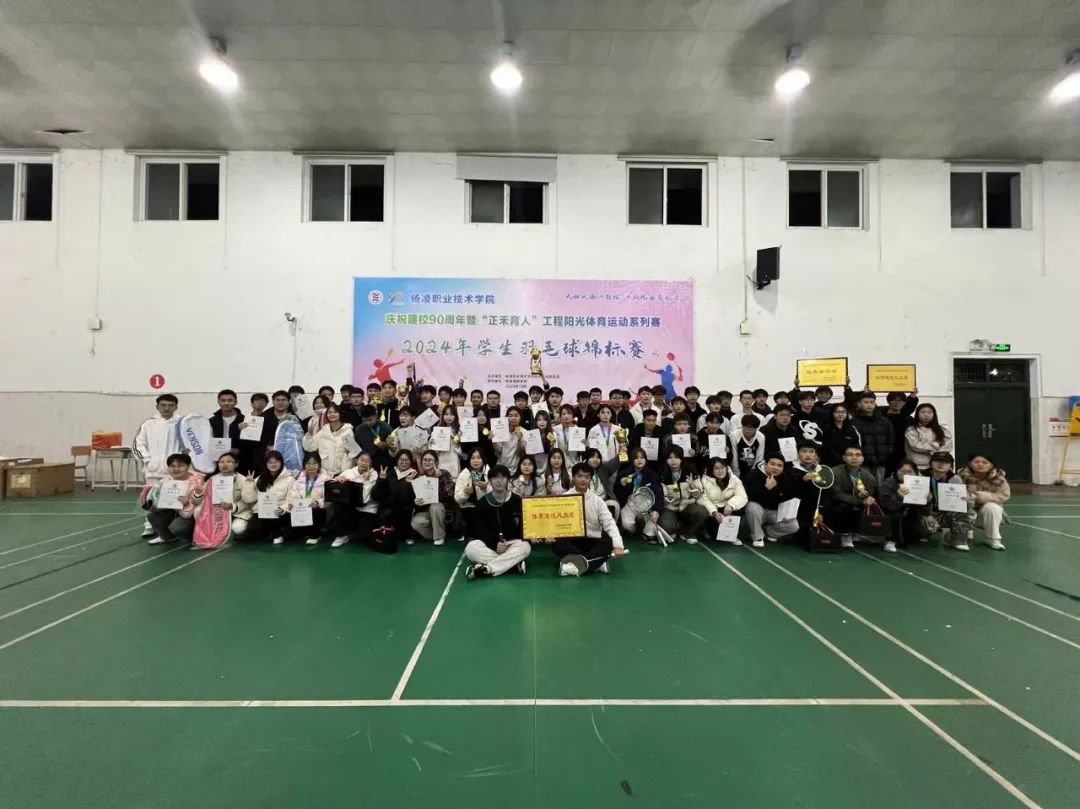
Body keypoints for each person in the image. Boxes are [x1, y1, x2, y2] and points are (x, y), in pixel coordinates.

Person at [552, 463, 625, 576]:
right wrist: (550, 534)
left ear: (591, 479)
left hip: (592, 540)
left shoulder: (598, 501)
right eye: (579, 476)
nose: (583, 480)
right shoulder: (563, 498)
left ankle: (573, 566)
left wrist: (618, 545)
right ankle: (596, 562)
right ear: (573, 477)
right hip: (571, 541)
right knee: (556, 542)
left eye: (587, 477)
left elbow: (609, 523)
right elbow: (554, 522)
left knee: (608, 541)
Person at [464, 465, 531, 579]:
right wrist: (495, 544)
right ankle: (513, 565)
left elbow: (524, 527)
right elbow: (480, 530)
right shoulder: (482, 503)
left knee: (525, 547)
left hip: (512, 544)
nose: (499, 481)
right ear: (490, 481)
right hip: (491, 545)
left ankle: (487, 568)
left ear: (508, 480)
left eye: (503, 477)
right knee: (471, 548)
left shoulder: (517, 501)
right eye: (495, 478)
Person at [134, 393, 183, 538]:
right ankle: (150, 525)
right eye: (163, 405)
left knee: (174, 500)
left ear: (176, 407)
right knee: (150, 499)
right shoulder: (148, 424)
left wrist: (182, 462)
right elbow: (138, 444)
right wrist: (148, 460)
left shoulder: (182, 423)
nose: (167, 408)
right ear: (157, 406)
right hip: (154, 471)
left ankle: (170, 528)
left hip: (176, 471)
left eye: (170, 405)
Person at [143, 452, 204, 545]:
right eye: (172, 466)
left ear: (188, 467)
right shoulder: (164, 481)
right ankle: (166, 537)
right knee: (152, 515)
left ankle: (194, 537)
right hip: (172, 511)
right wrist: (153, 500)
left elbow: (199, 504)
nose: (176, 469)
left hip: (190, 515)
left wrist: (187, 503)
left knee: (177, 527)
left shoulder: (198, 481)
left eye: (181, 466)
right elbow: (154, 501)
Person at [825, 446, 879, 550]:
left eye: (858, 455)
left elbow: (871, 494)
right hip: (839, 504)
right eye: (850, 455)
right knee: (842, 507)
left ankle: (858, 533)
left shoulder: (868, 476)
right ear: (844, 458)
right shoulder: (834, 472)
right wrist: (860, 500)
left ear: (862, 459)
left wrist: (868, 497)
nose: (854, 458)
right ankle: (845, 535)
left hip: (859, 504)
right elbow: (837, 495)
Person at [743, 452, 800, 548]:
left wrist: (786, 514)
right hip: (757, 511)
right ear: (765, 464)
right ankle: (758, 537)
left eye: (779, 466)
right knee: (751, 506)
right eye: (772, 464)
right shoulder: (753, 475)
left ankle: (769, 533)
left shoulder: (785, 478)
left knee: (794, 526)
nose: (775, 468)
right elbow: (748, 496)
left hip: (773, 511)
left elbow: (785, 499)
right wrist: (766, 488)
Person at [325, 452, 380, 548]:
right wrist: (339, 481)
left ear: (371, 463)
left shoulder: (374, 475)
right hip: (350, 507)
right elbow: (334, 487)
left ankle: (355, 529)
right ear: (356, 461)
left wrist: (366, 481)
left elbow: (365, 499)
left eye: (367, 461)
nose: (364, 463)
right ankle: (341, 535)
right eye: (362, 460)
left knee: (363, 536)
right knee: (339, 507)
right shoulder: (348, 472)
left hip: (367, 509)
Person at [238, 450, 294, 544]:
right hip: (262, 512)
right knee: (253, 530)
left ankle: (278, 533)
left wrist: (282, 509)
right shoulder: (260, 478)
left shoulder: (290, 479)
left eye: (276, 462)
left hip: (279, 513)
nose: (273, 464)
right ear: (266, 464)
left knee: (279, 526)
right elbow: (249, 499)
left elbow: (291, 499)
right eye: (270, 462)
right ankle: (269, 533)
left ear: (281, 463)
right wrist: (249, 484)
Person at [958, 453, 1011, 551]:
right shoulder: (960, 477)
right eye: (976, 462)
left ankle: (993, 539)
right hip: (966, 512)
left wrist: (978, 496)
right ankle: (963, 533)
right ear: (970, 463)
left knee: (993, 507)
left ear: (991, 465)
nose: (980, 464)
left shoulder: (999, 478)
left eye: (985, 462)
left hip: (984, 514)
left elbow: (1004, 496)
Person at [658, 446, 709, 544]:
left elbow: (699, 494)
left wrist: (693, 486)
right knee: (667, 526)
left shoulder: (690, 469)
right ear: (666, 459)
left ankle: (688, 533)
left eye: (676, 457)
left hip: (687, 504)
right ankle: (677, 526)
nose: (673, 461)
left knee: (702, 512)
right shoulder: (662, 471)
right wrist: (667, 499)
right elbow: (660, 494)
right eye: (670, 458)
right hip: (670, 507)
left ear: (681, 458)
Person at [923, 451, 972, 551]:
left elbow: (964, 505)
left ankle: (958, 540)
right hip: (925, 513)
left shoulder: (955, 479)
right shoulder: (921, 476)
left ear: (951, 466)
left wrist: (966, 500)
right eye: (937, 461)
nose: (941, 464)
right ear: (931, 463)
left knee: (961, 511)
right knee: (919, 533)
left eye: (946, 462)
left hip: (946, 513)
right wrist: (926, 512)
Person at [613, 447, 663, 542]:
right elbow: (617, 494)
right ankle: (633, 530)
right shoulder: (624, 474)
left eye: (642, 458)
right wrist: (622, 486)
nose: (639, 460)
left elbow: (658, 493)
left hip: (647, 506)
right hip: (630, 505)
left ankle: (644, 531)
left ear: (646, 459)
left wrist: (656, 510)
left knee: (650, 534)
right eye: (636, 458)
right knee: (627, 526)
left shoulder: (652, 474)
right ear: (632, 460)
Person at [879, 459, 927, 552]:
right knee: (894, 515)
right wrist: (898, 495)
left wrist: (927, 500)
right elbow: (885, 505)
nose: (907, 474)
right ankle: (890, 540)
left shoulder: (919, 483)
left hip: (910, 514)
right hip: (892, 514)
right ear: (896, 472)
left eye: (910, 472)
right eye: (903, 471)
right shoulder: (888, 484)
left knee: (913, 537)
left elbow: (921, 506)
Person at [411, 450, 456, 546]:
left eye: (430, 460)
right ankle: (434, 535)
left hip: (441, 508)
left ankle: (439, 537)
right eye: (425, 460)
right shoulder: (420, 476)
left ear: (436, 462)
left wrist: (440, 479)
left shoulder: (444, 473)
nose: (427, 462)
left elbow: (449, 494)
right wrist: (416, 501)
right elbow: (417, 497)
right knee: (415, 523)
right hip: (426, 510)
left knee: (435, 507)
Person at [282, 453, 329, 545]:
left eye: (314, 463)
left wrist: (317, 503)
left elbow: (329, 499)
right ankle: (306, 531)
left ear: (319, 464)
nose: (311, 466)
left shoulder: (326, 479)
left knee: (316, 512)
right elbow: (291, 495)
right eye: (308, 463)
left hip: (318, 511)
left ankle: (315, 535)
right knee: (287, 536)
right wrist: (293, 504)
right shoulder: (299, 479)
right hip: (301, 512)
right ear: (304, 465)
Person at [302, 402, 358, 478]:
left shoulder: (347, 431)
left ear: (340, 414)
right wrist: (309, 434)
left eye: (335, 412)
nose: (332, 414)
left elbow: (352, 454)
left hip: (341, 475)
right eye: (329, 412)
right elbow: (310, 447)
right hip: (324, 474)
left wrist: (343, 474)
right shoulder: (323, 431)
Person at [849, 391, 894, 484]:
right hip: (862, 463)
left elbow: (891, 439)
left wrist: (888, 452)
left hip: (881, 462)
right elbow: (853, 442)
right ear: (859, 404)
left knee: (879, 487)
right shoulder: (853, 422)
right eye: (866, 402)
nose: (869, 405)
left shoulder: (884, 421)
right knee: (863, 487)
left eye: (872, 402)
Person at [701, 457, 748, 545]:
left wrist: (731, 505)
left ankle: (731, 534)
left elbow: (742, 496)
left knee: (741, 507)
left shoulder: (734, 479)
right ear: (711, 470)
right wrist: (714, 512)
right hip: (712, 511)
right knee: (715, 537)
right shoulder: (704, 480)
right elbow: (704, 499)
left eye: (723, 468)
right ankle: (706, 529)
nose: (720, 471)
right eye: (716, 468)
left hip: (727, 508)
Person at [385, 450, 420, 544]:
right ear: (397, 460)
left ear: (411, 462)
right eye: (401, 459)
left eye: (407, 460)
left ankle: (407, 535)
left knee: (406, 509)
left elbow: (413, 495)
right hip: (391, 504)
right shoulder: (389, 473)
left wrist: (407, 484)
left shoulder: (415, 475)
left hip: (407, 505)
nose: (404, 462)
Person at [905, 404, 953, 472]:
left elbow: (948, 446)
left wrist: (934, 452)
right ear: (917, 414)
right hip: (917, 467)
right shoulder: (911, 430)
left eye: (929, 412)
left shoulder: (943, 431)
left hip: (938, 466)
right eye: (923, 412)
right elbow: (915, 445)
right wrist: (936, 445)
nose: (926, 415)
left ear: (934, 414)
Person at [454, 449, 490, 539]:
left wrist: (487, 488)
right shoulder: (464, 474)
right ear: (469, 460)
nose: (475, 461)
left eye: (478, 458)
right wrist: (465, 493)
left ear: (483, 459)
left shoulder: (490, 472)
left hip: (487, 506)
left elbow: (498, 494)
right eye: (473, 458)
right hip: (469, 508)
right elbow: (457, 499)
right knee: (474, 518)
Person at [880, 391, 919, 470]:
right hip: (883, 451)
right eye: (894, 399)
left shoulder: (908, 419)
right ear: (888, 401)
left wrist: (912, 397)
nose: (897, 402)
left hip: (902, 452)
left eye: (900, 400)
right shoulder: (879, 417)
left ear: (904, 402)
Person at [209, 450, 244, 538]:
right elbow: (206, 498)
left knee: (238, 527)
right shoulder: (213, 479)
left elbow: (246, 502)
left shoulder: (243, 480)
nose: (225, 465)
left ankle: (241, 534)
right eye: (221, 462)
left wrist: (232, 506)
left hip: (237, 512)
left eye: (229, 462)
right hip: (217, 511)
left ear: (236, 464)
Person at [209, 389, 246, 469]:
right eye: (223, 400)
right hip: (217, 464)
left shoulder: (244, 420)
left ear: (236, 402)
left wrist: (241, 450)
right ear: (218, 402)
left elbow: (252, 444)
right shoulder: (211, 421)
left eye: (230, 400)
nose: (226, 403)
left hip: (240, 463)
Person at [820, 403, 861, 467]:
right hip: (830, 463)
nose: (840, 414)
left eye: (843, 412)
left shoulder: (851, 429)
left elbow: (856, 446)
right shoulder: (825, 429)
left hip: (848, 463)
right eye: (837, 412)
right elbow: (825, 448)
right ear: (832, 413)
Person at [354, 404, 391, 470]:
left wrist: (386, 446)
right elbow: (357, 447)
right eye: (365, 420)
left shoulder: (385, 427)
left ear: (376, 416)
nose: (368, 423)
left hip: (382, 461)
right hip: (366, 462)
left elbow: (393, 447)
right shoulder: (359, 429)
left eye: (370, 420)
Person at [730, 415, 766, 479]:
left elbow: (759, 457)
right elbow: (734, 456)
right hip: (738, 468)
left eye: (751, 428)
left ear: (756, 428)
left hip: (753, 469)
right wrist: (736, 473)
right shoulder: (734, 435)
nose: (748, 430)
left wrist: (753, 473)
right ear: (742, 425)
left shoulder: (761, 436)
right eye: (745, 427)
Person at [434, 405, 464, 477]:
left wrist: (456, 441)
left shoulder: (459, 430)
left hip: (454, 460)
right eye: (446, 414)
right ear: (443, 416)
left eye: (451, 414)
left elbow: (460, 453)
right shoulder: (437, 430)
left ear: (455, 416)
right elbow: (433, 450)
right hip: (441, 460)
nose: (449, 417)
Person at [493, 406, 525, 473]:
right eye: (510, 416)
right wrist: (494, 440)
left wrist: (519, 440)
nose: (513, 418)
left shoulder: (524, 432)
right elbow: (499, 451)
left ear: (520, 417)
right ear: (507, 417)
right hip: (501, 467)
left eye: (516, 416)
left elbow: (519, 453)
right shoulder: (501, 430)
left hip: (517, 468)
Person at [530, 410, 555, 474]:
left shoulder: (552, 434)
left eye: (545, 420)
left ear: (548, 421)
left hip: (547, 466)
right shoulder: (531, 435)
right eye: (539, 420)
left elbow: (554, 454)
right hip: (534, 466)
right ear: (536, 422)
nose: (542, 422)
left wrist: (552, 445)